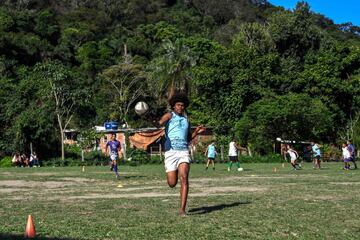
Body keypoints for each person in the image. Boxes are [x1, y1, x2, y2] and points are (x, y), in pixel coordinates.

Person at [158, 91, 205, 216]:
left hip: (183, 151)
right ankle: (173, 172)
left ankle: (182, 210)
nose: (180, 107)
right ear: (174, 106)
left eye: (182, 105)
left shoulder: (186, 120)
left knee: (184, 177)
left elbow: (189, 138)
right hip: (171, 152)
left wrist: (197, 132)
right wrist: (157, 119)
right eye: (178, 105)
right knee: (172, 183)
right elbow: (159, 123)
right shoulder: (169, 116)